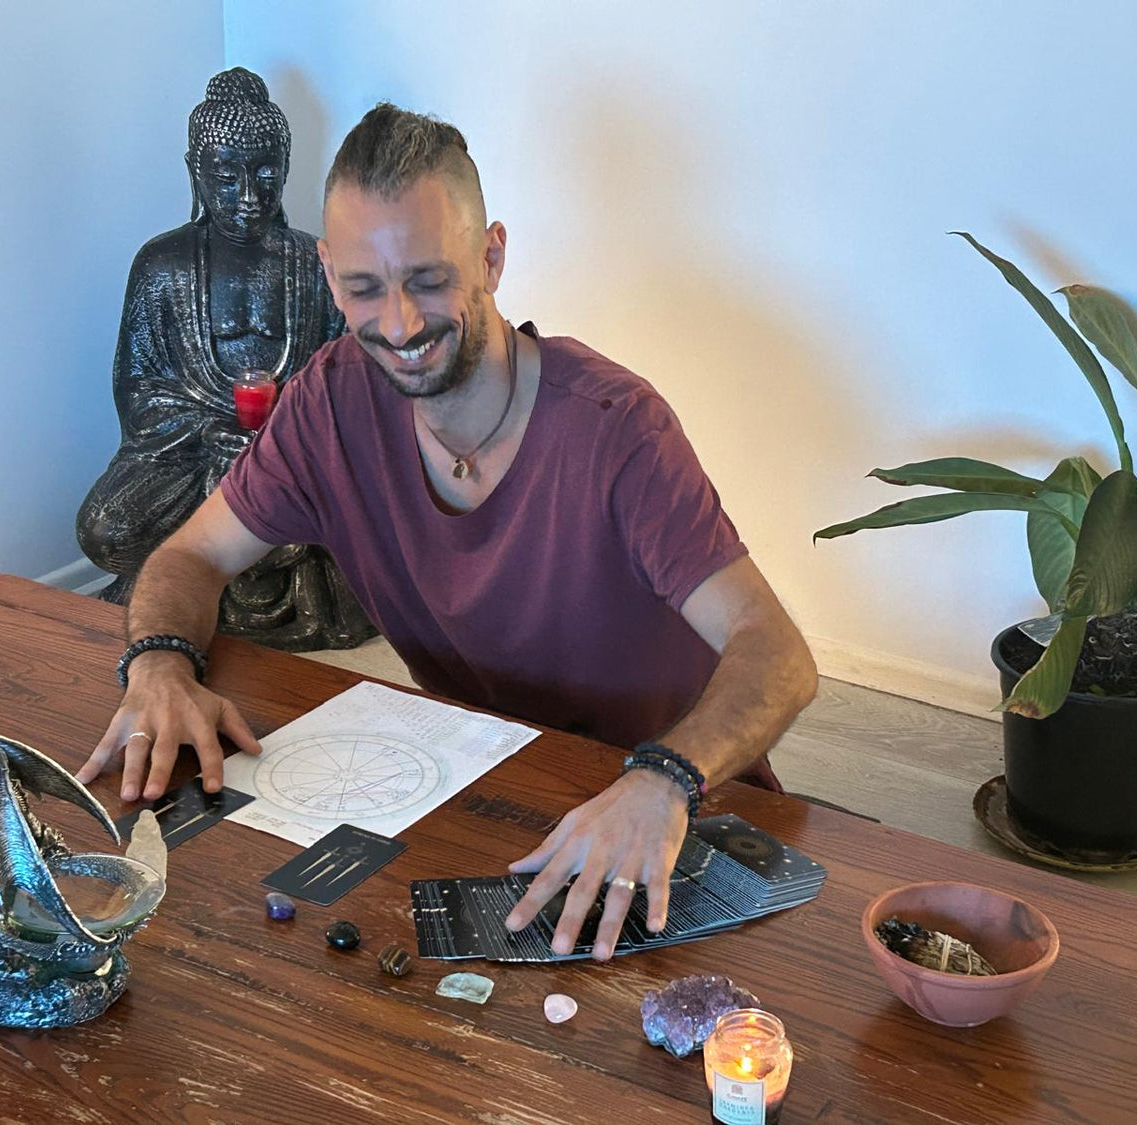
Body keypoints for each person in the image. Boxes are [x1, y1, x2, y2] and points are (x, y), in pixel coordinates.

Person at [77, 103, 819, 961]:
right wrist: (161, 662)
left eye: (428, 279)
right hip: (480, 785)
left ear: (492, 257)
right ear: (328, 275)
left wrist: (664, 777)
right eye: (364, 287)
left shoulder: (617, 428)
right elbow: (193, 553)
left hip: (676, 810)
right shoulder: (329, 399)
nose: (398, 324)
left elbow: (780, 655)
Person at [76, 68, 375, 651]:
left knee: (385, 512)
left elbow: (351, 380)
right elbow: (139, 389)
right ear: (196, 173)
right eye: (225, 175)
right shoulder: (162, 266)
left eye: (266, 173)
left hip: (295, 456)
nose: (247, 196)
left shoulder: (316, 263)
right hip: (189, 455)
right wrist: (211, 432)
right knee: (105, 531)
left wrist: (285, 433)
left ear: (286, 169)